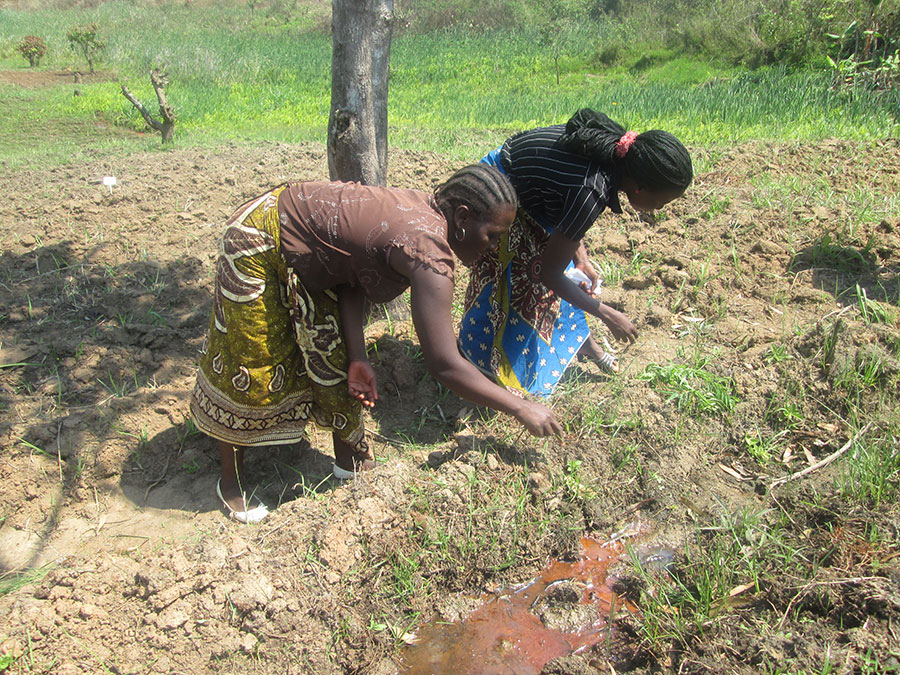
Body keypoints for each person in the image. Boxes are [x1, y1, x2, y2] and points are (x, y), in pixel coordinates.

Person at [190, 165, 562, 523]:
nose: (495, 248)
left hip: (309, 248)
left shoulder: (428, 216)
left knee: (331, 355)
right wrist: (520, 407)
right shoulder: (429, 253)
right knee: (253, 359)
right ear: (462, 218)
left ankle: (350, 464)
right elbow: (444, 363)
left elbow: (349, 272)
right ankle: (230, 483)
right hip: (258, 237)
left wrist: (357, 356)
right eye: (493, 235)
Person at [459, 109, 692, 396]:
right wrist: (608, 314)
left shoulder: (615, 154)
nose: (659, 209)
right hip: (495, 193)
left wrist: (580, 258)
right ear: (640, 189)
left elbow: (561, 199)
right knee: (524, 280)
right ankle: (480, 364)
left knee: (554, 273)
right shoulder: (592, 189)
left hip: (526, 193)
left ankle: (584, 346)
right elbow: (550, 273)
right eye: (660, 202)